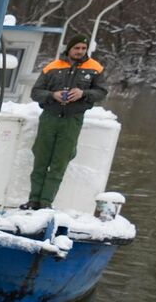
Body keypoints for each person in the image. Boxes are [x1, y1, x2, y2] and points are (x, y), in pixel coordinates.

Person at [25, 35, 108, 210]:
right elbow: (36, 92)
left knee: (59, 162)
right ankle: (33, 200)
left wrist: (83, 93)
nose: (80, 51)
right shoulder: (53, 67)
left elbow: (101, 92)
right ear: (69, 49)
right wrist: (52, 95)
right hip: (49, 117)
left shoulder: (95, 68)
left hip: (73, 119)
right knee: (41, 159)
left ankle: (46, 203)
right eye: (76, 48)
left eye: (83, 49)